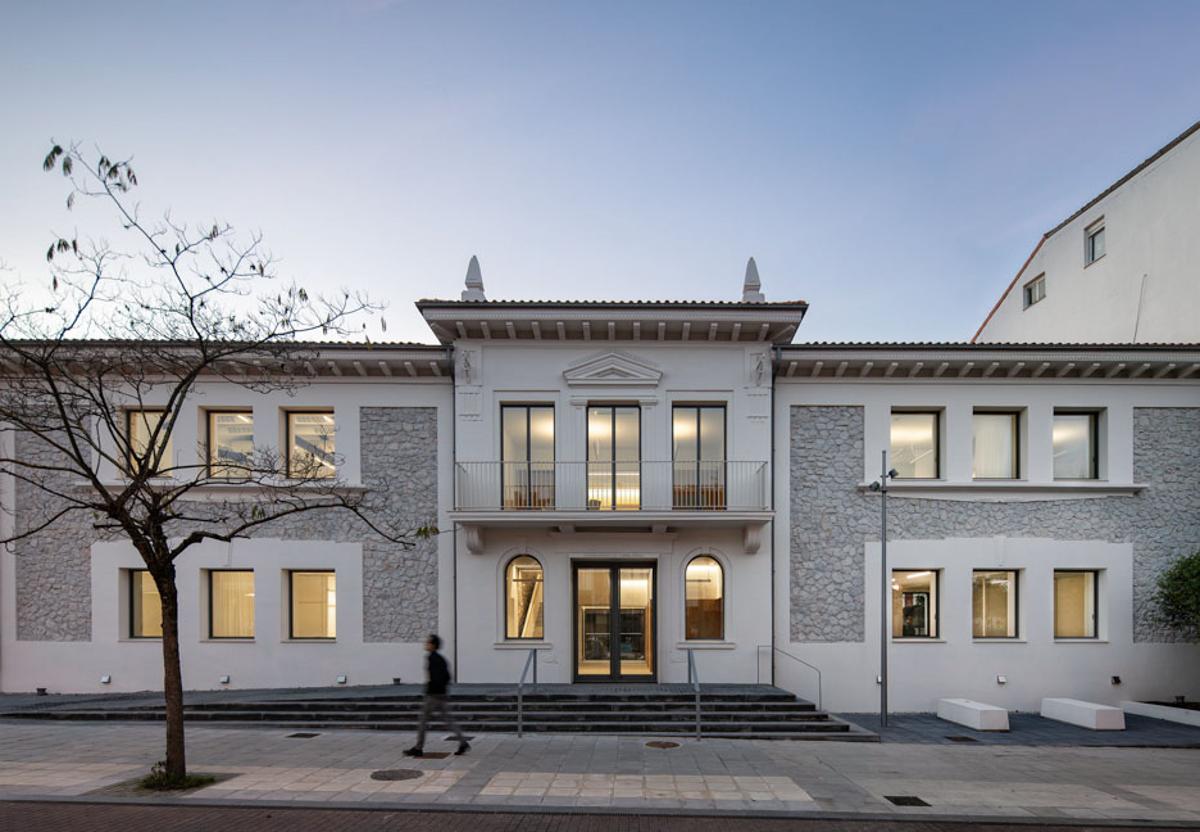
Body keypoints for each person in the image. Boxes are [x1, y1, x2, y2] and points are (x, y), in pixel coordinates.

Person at [404, 634, 469, 757]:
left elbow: (434, 677)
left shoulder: (432, 658)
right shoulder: (442, 659)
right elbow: (448, 677)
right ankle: (463, 742)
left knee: (423, 721)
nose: (425, 645)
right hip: (442, 694)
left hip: (433, 695)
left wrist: (431, 688)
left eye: (428, 643)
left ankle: (418, 748)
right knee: (449, 721)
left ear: (433, 645)